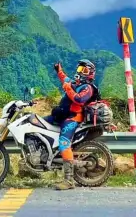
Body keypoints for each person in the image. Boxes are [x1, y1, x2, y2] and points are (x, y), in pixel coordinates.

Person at [50, 58, 97, 190]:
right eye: (79, 69)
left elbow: (79, 99)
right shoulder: (75, 83)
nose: (80, 72)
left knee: (64, 143)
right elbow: (65, 79)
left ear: (90, 73)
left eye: (84, 70)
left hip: (73, 118)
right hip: (62, 115)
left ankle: (69, 181)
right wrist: (59, 70)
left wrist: (68, 89)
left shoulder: (87, 88)